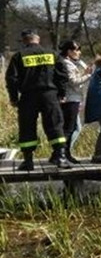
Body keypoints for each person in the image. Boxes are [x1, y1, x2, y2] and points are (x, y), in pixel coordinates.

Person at [4, 29, 70, 170]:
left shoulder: (19, 56)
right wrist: (62, 93)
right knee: (55, 124)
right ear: (38, 39)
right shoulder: (52, 54)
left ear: (24, 40)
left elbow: (11, 79)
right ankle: (61, 157)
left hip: (28, 96)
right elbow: (63, 74)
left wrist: (14, 98)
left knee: (27, 127)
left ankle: (28, 161)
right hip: (50, 94)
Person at [57, 40, 92, 164]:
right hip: (70, 100)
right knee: (70, 128)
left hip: (74, 99)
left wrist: (81, 64)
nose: (79, 52)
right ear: (69, 51)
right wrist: (88, 75)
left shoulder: (71, 62)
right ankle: (62, 154)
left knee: (75, 127)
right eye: (77, 50)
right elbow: (74, 82)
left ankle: (63, 153)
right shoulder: (67, 64)